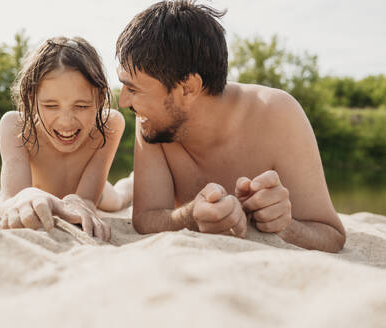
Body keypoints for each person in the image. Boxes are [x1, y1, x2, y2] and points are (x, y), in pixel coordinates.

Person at [116, 1, 346, 252]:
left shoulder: (278, 114)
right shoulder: (152, 121)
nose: (122, 101)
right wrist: (192, 216)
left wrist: (284, 225)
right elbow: (145, 218)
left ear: (187, 88)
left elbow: (332, 236)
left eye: (133, 89)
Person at [0, 36, 133, 241]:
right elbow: (12, 198)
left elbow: (87, 200)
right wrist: (26, 196)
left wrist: (81, 203)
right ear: (31, 98)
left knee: (119, 199)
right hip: (41, 193)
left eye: (81, 106)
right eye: (51, 106)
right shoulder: (15, 127)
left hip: (97, 191)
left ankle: (132, 181)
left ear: (99, 98)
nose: (66, 122)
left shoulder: (109, 125)